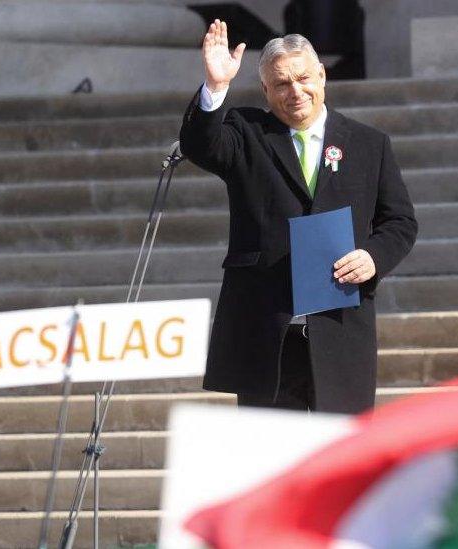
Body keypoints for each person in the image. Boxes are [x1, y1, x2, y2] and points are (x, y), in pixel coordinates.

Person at [179, 20, 417, 414]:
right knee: (273, 462)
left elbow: (400, 222)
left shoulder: (369, 144)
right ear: (266, 90)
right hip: (267, 333)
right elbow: (200, 146)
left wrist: (373, 257)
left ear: (322, 75)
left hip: (339, 328)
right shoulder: (245, 133)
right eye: (282, 84)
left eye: (303, 78)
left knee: (339, 461)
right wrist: (215, 87)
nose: (296, 92)